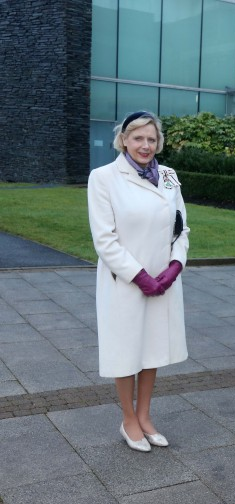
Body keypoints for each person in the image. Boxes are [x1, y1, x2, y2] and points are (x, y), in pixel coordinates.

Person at [88, 111, 190, 453]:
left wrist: (175, 266)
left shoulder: (169, 176)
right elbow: (104, 240)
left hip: (163, 281)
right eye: (138, 138)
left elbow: (182, 228)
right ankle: (128, 418)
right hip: (126, 283)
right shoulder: (103, 178)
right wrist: (142, 277)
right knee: (126, 350)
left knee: (152, 350)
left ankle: (146, 416)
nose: (146, 145)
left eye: (152, 139)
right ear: (124, 140)